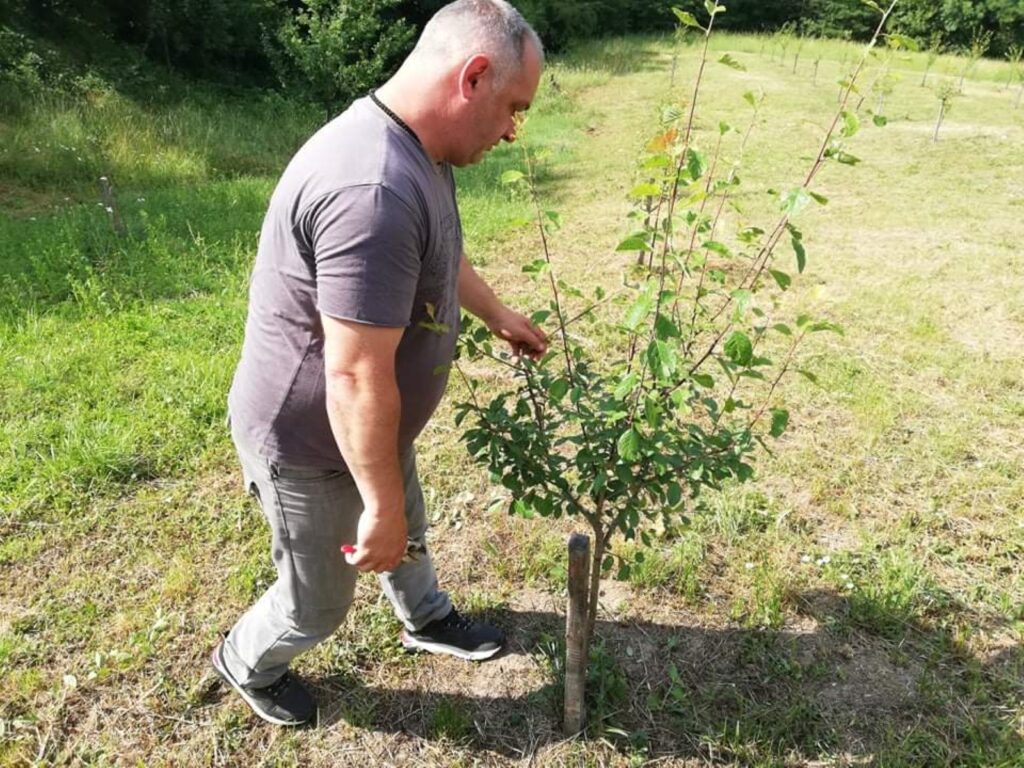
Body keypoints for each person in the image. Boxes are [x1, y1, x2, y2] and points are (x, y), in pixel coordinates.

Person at [210, 0, 547, 727]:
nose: (514, 129)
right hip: (310, 444)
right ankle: (247, 659)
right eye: (514, 107)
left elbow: (440, 253)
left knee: (407, 522)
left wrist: (497, 314)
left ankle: (423, 615)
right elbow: (356, 375)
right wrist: (381, 504)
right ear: (474, 77)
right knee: (318, 603)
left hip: (367, 426)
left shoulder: (419, 147)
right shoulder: (372, 188)